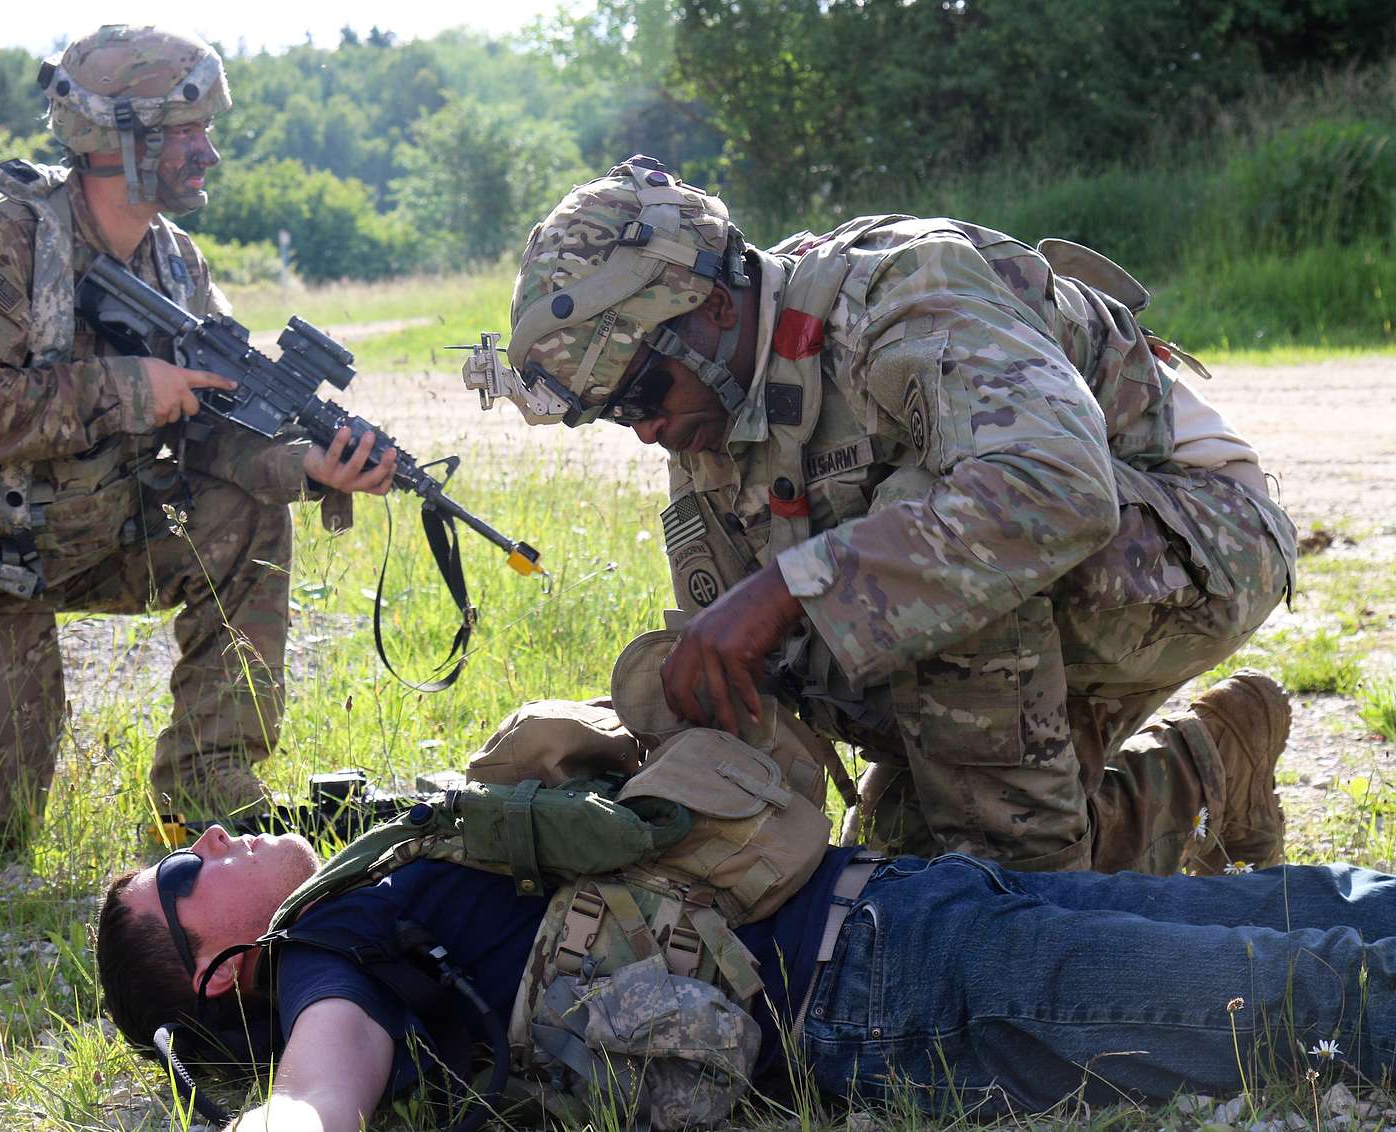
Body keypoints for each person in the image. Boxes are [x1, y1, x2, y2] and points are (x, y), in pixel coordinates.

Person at [476, 156, 1299, 875]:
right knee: (905, 867)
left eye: (647, 392)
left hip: (1199, 539)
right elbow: (770, 667)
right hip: (1041, 595)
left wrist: (784, 592)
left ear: (713, 310)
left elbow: (1054, 487)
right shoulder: (709, 430)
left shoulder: (901, 291)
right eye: (621, 413)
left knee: (984, 884)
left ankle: (1028, 903)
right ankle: (1208, 768)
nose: (649, 428)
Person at [0, 25, 397, 844]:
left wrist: (306, 464)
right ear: (118, 139)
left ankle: (207, 789)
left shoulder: (177, 263)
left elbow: (211, 423)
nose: (208, 153)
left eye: (207, 129)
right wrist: (129, 389)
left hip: (77, 530)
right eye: (184, 132)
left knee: (247, 512)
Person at [96, 824, 1396, 1131]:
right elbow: (319, 1098)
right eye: (186, 871)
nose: (214, 837)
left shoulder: (368, 864)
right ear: (220, 974)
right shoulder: (334, 958)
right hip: (890, 996)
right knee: (1315, 997)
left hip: (911, 895)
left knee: (1307, 905)